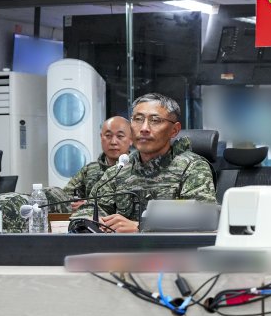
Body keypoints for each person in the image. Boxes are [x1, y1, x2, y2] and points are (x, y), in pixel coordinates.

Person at [71, 93, 216, 233]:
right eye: (138, 119)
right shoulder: (119, 170)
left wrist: (141, 227)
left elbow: (206, 219)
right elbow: (85, 212)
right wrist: (93, 222)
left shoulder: (192, 167)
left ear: (174, 130)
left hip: (172, 248)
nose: (144, 128)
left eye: (155, 120)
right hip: (119, 248)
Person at [63, 116, 133, 210]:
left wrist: (91, 204)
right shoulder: (89, 170)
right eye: (108, 136)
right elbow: (66, 197)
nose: (113, 142)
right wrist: (78, 205)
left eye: (120, 136)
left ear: (131, 139)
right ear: (101, 137)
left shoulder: (137, 169)